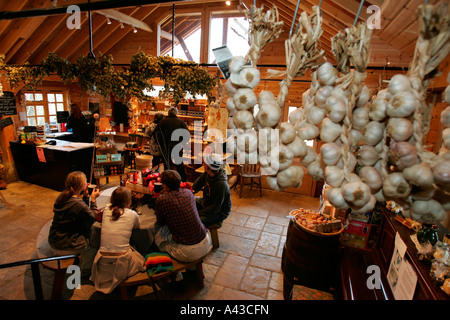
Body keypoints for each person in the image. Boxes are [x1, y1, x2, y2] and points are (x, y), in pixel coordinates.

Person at [90, 187, 146, 294]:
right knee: (141, 259)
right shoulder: (132, 214)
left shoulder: (106, 210)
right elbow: (137, 227)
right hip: (122, 261)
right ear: (129, 201)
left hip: (102, 260)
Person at [153, 170, 212, 262]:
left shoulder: (162, 200)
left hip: (188, 252)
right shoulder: (188, 193)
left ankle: (171, 271)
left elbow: (160, 222)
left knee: (158, 239)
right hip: (206, 240)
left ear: (164, 185)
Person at [48, 171, 99, 257]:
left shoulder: (62, 195)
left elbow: (81, 210)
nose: (87, 183)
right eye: (85, 181)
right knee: (95, 237)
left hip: (55, 240)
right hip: (66, 246)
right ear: (81, 185)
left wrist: (86, 196)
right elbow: (93, 217)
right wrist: (93, 200)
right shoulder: (77, 203)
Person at [192, 153, 232, 227]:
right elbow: (196, 186)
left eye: (205, 163)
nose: (203, 164)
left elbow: (215, 208)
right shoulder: (207, 174)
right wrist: (190, 193)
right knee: (189, 202)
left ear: (209, 167)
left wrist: (196, 213)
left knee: (194, 221)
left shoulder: (221, 185)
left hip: (219, 211)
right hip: (207, 202)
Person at [155, 107, 189, 182]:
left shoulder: (162, 122)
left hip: (166, 147)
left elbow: (156, 134)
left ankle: (168, 181)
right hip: (177, 146)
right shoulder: (181, 122)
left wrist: (160, 144)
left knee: (167, 165)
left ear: (168, 113)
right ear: (176, 113)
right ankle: (183, 181)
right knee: (179, 165)